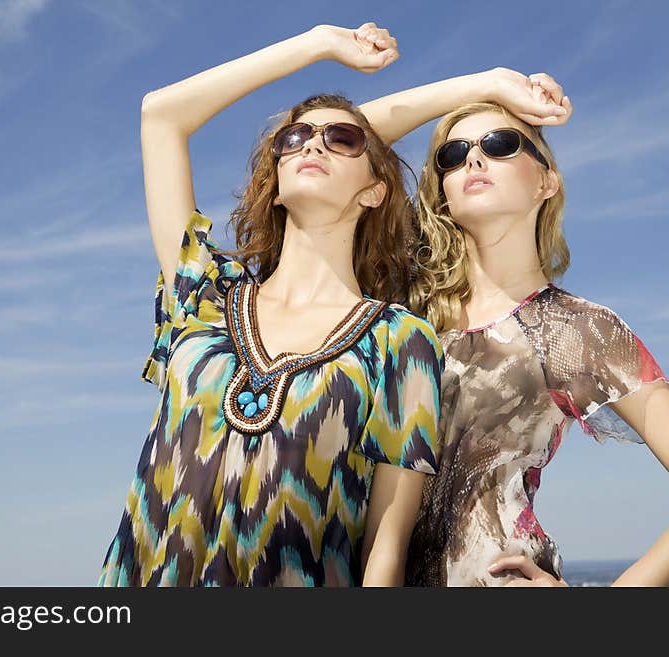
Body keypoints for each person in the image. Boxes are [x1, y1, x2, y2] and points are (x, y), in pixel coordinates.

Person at [96, 22, 445, 587]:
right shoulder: (206, 296)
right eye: (294, 138)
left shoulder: (399, 341)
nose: (311, 143)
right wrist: (320, 43)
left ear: (375, 190)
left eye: (342, 140)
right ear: (276, 185)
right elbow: (161, 115)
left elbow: (385, 549)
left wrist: (494, 86)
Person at [401, 93, 669, 587]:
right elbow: (343, 140)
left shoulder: (579, 329)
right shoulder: (403, 314)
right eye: (452, 155)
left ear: (546, 181)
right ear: (442, 194)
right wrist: (489, 81)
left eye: (500, 144)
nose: (473, 157)